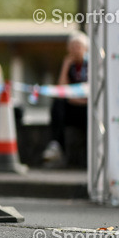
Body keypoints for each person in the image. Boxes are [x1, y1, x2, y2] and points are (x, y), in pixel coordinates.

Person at [43, 32, 88, 166]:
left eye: (78, 46)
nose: (75, 50)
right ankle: (56, 145)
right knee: (58, 104)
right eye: (72, 47)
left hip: (86, 108)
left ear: (86, 48)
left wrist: (77, 100)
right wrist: (65, 66)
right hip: (72, 106)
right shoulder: (70, 66)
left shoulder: (91, 65)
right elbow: (61, 90)